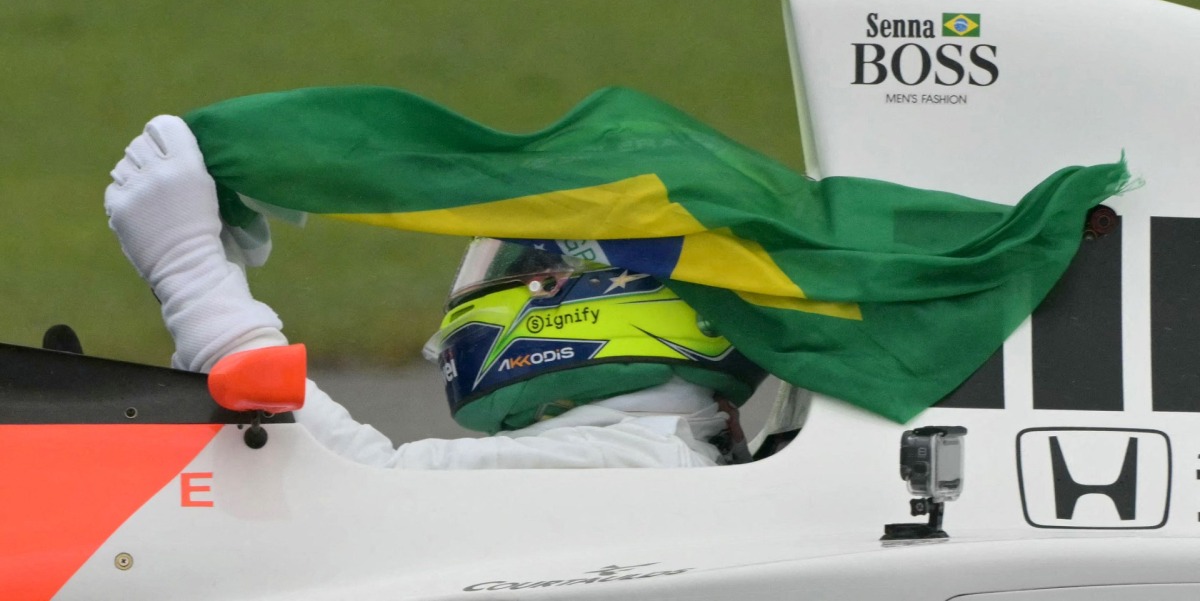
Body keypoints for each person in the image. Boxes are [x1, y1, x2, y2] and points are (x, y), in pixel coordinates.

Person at [105, 115, 767, 469]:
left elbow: (357, 493)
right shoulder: (664, 452)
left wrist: (195, 279)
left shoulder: (631, 465)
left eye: (537, 268)